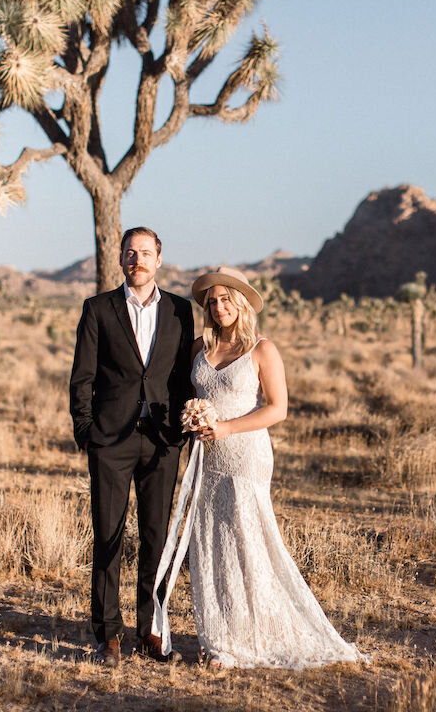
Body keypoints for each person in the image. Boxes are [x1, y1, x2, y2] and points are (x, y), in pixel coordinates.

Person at [151, 266, 364, 668]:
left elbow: (278, 409)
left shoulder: (262, 350)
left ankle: (255, 633)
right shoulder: (199, 349)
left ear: (242, 302)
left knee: (247, 539)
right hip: (208, 459)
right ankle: (221, 639)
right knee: (211, 541)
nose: (218, 306)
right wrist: (193, 419)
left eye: (226, 299)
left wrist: (226, 427)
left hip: (246, 454)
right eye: (212, 301)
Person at [69, 227, 194, 666]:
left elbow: (181, 377)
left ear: (159, 259)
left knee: (156, 538)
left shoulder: (180, 310)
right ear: (120, 258)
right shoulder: (98, 308)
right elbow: (81, 376)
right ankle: (108, 634)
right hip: (110, 441)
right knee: (108, 536)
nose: (136, 259)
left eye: (144, 253)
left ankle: (151, 629)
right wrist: (88, 432)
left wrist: (181, 430)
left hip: (161, 442)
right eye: (129, 252)